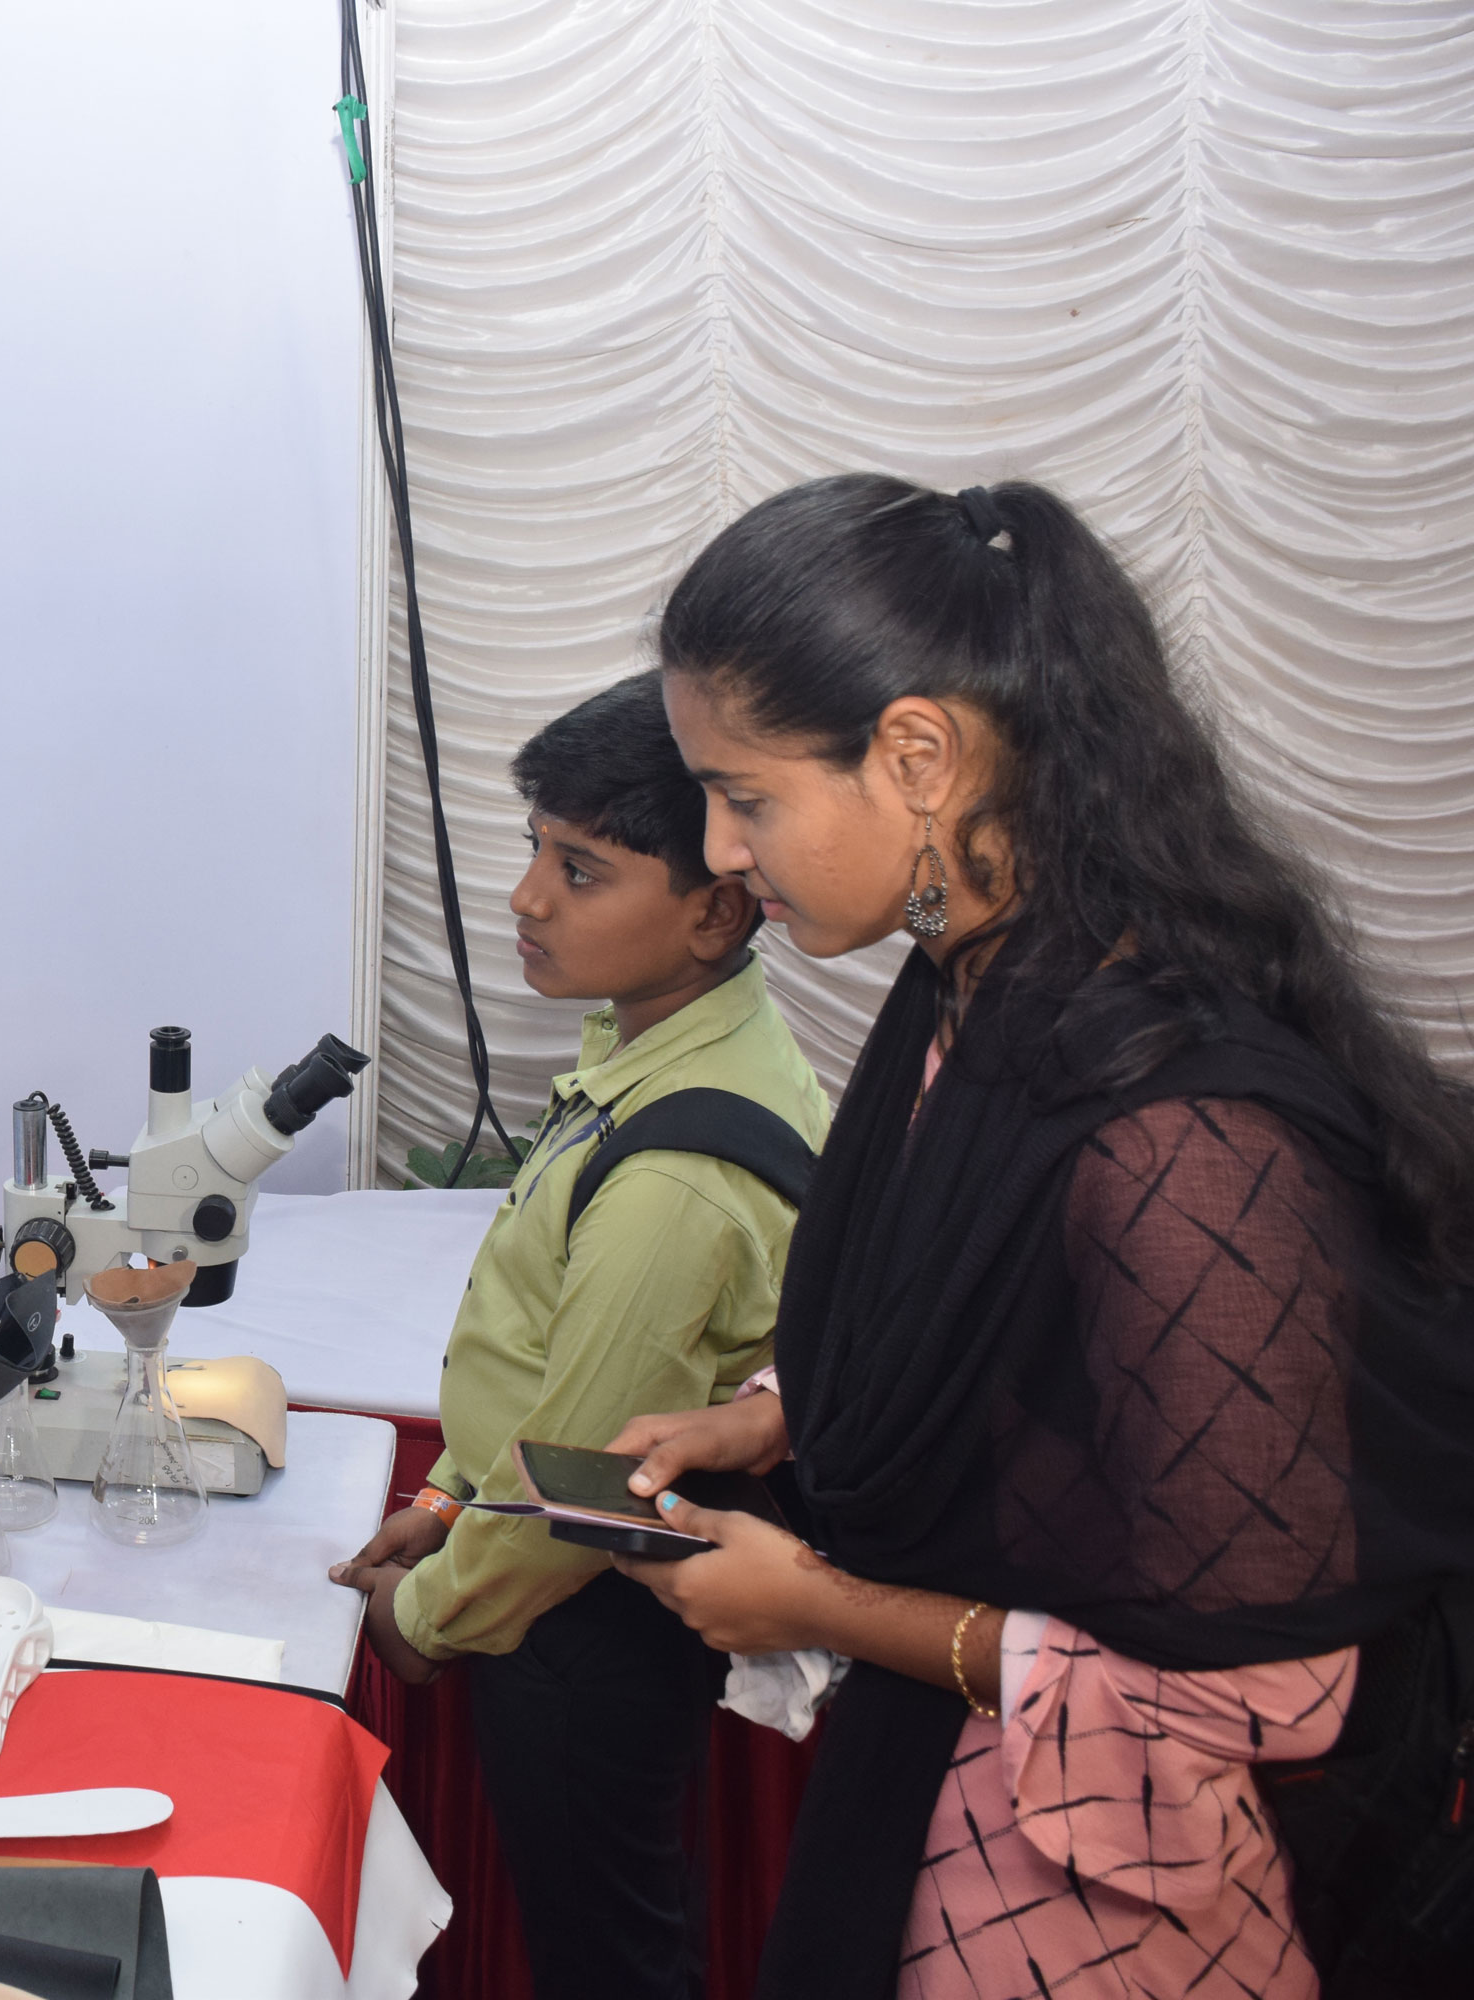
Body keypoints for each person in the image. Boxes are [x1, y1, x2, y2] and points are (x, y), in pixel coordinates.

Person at [607, 475, 1474, 1999]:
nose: (723, 851)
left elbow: (1264, 1690)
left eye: (745, 796)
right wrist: (785, 1415)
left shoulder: (1186, 1138)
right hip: (958, 1794)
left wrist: (821, 1609)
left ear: (917, 755)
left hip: (1128, 1894)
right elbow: (1010, 1307)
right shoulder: (968, 983)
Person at [328, 672, 830, 2000]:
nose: (527, 898)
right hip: (557, 1568)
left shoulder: (675, 1179)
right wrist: (445, 1500)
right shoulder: (667, 1046)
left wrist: (425, 1616)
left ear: (717, 909)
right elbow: (536, 1358)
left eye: (582, 871)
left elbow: (584, 1468)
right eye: (536, 851)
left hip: (583, 1614)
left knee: (607, 1953)